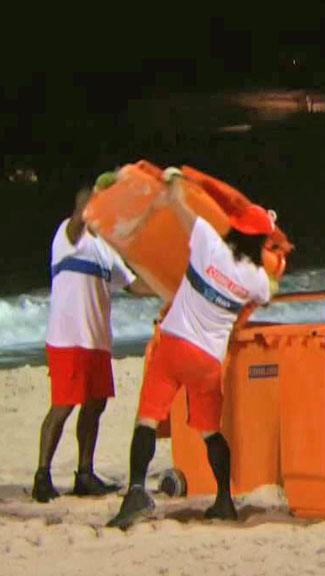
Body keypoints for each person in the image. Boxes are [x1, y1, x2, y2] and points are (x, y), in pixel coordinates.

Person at [108, 168, 277, 529]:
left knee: (148, 421)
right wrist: (268, 237)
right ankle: (223, 501)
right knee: (209, 431)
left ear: (234, 228)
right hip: (208, 361)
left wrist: (172, 190)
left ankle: (136, 492)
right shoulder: (257, 279)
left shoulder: (210, 244)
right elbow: (267, 290)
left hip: (173, 346)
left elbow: (183, 212)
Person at [33, 173, 153, 503]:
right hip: (68, 338)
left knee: (95, 405)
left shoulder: (106, 249)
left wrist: (169, 286)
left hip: (97, 341)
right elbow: (77, 217)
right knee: (63, 405)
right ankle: (42, 475)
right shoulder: (69, 235)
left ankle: (84, 474)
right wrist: (91, 199)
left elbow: (134, 285)